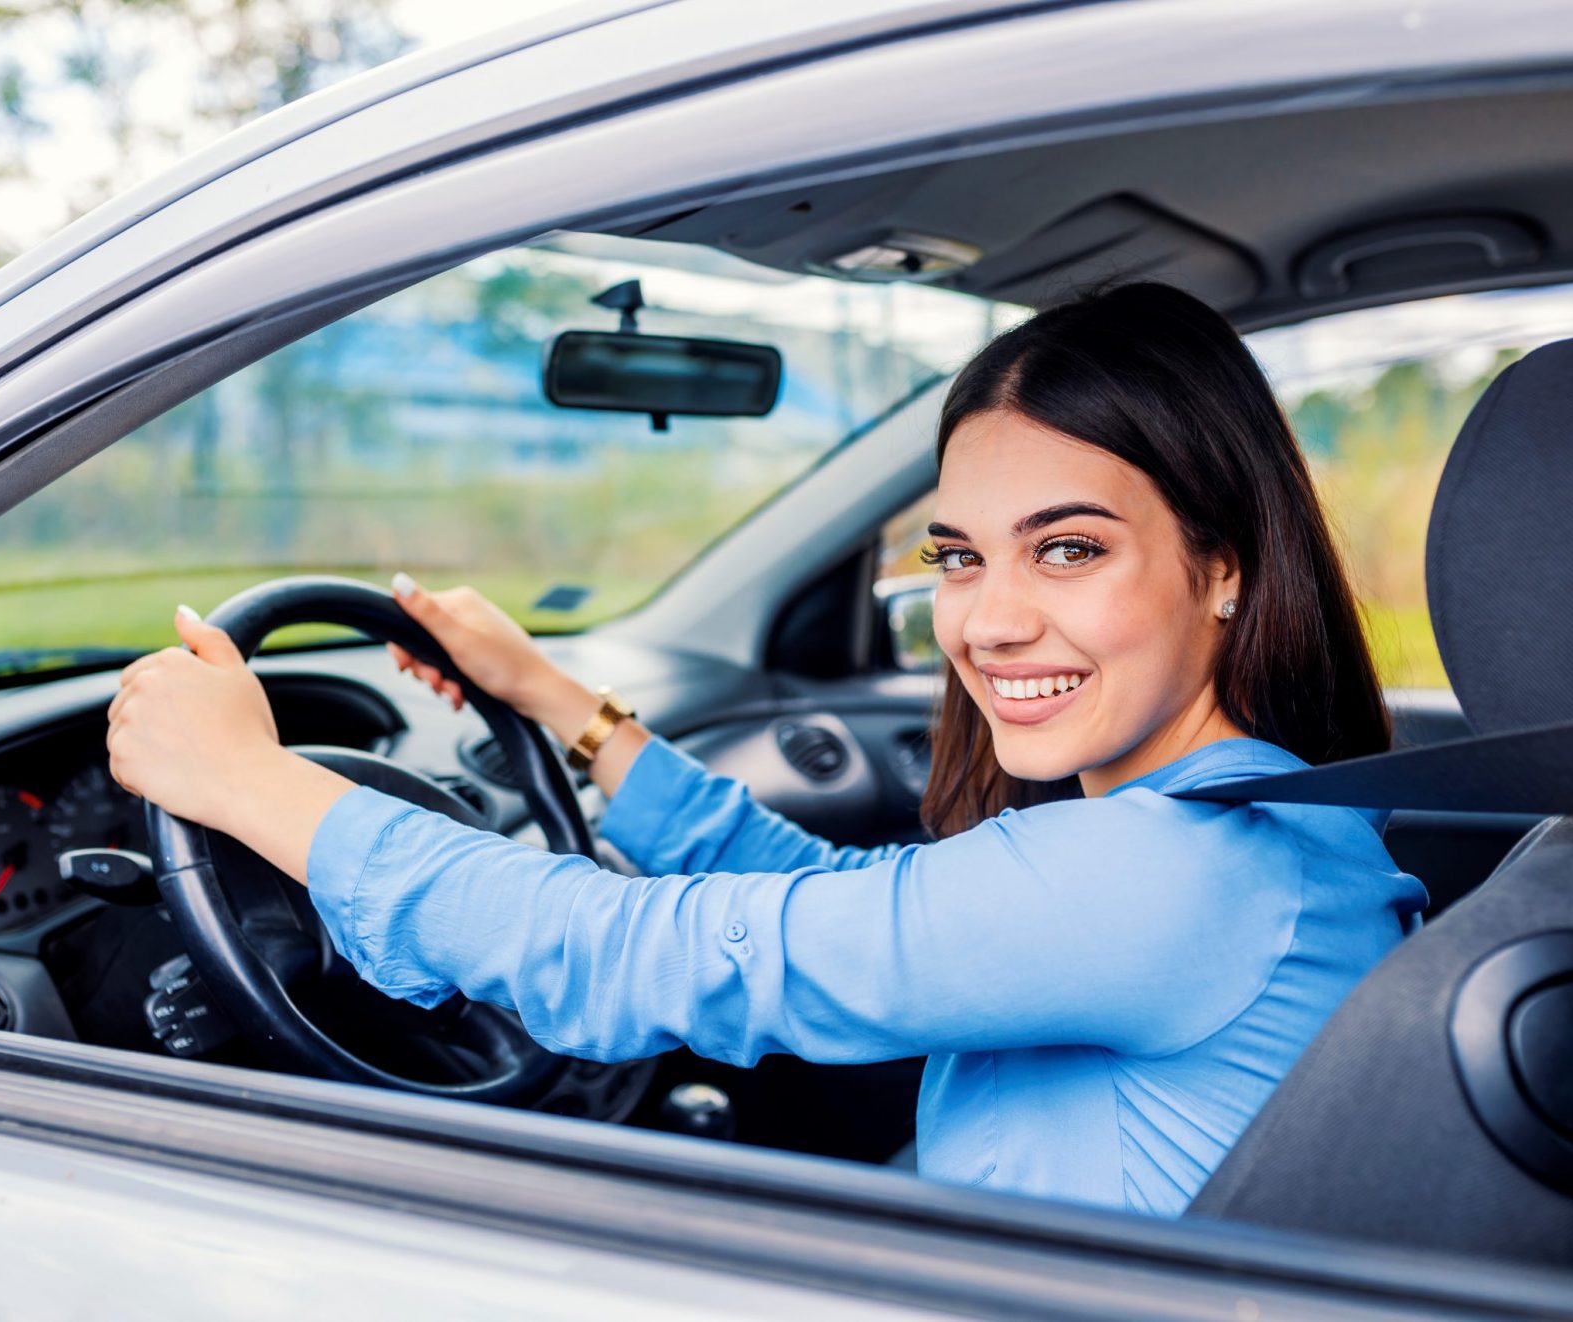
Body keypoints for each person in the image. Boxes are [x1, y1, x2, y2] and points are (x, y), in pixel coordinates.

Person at [106, 281, 1427, 1217]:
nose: (993, 619)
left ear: (1226, 569)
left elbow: (642, 955)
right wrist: (561, 700)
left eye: (1069, 548)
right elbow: (846, 906)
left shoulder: (1167, 875)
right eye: (959, 557)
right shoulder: (1271, 811)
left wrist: (252, 784)